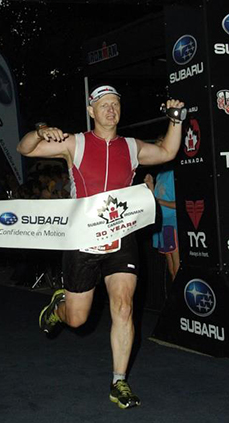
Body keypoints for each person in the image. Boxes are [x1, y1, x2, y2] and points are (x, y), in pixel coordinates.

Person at [17, 84, 184, 410]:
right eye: (104, 105)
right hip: (82, 240)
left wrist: (176, 120)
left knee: (123, 306)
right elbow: (25, 149)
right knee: (77, 320)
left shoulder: (132, 147)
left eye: (115, 104)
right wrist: (39, 132)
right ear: (92, 111)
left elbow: (166, 152)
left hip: (121, 238)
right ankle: (59, 307)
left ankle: (118, 381)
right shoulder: (75, 143)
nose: (111, 110)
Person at [144, 152, 180, 281]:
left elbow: (180, 203)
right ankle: (175, 298)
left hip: (173, 224)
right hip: (163, 225)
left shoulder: (174, 172)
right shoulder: (161, 173)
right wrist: (151, 186)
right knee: (171, 269)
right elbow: (156, 199)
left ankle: (181, 297)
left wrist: (159, 201)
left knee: (178, 267)